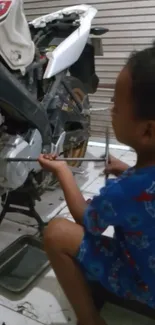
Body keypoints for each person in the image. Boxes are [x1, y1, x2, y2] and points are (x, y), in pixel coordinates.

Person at [38, 43, 155, 325]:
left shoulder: (124, 191)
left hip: (145, 284)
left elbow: (86, 219)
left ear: (148, 130)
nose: (111, 110)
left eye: (116, 105)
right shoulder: (136, 181)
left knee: (56, 232)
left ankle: (89, 320)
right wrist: (126, 168)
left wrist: (62, 170)